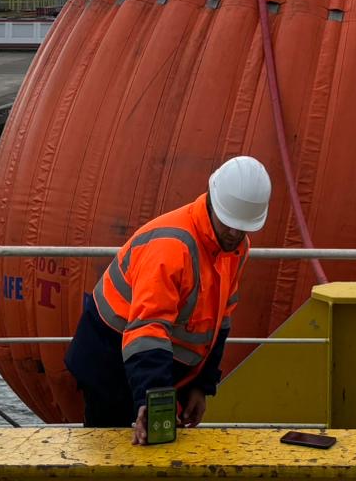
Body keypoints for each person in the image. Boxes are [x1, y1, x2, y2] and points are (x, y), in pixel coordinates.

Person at [64, 156, 271, 439]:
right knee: (111, 456)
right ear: (211, 201)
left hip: (159, 365)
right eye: (229, 222)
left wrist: (200, 386)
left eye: (242, 226)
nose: (235, 232)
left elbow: (219, 320)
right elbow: (147, 330)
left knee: (156, 450)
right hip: (110, 363)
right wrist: (151, 400)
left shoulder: (234, 248)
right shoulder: (171, 247)